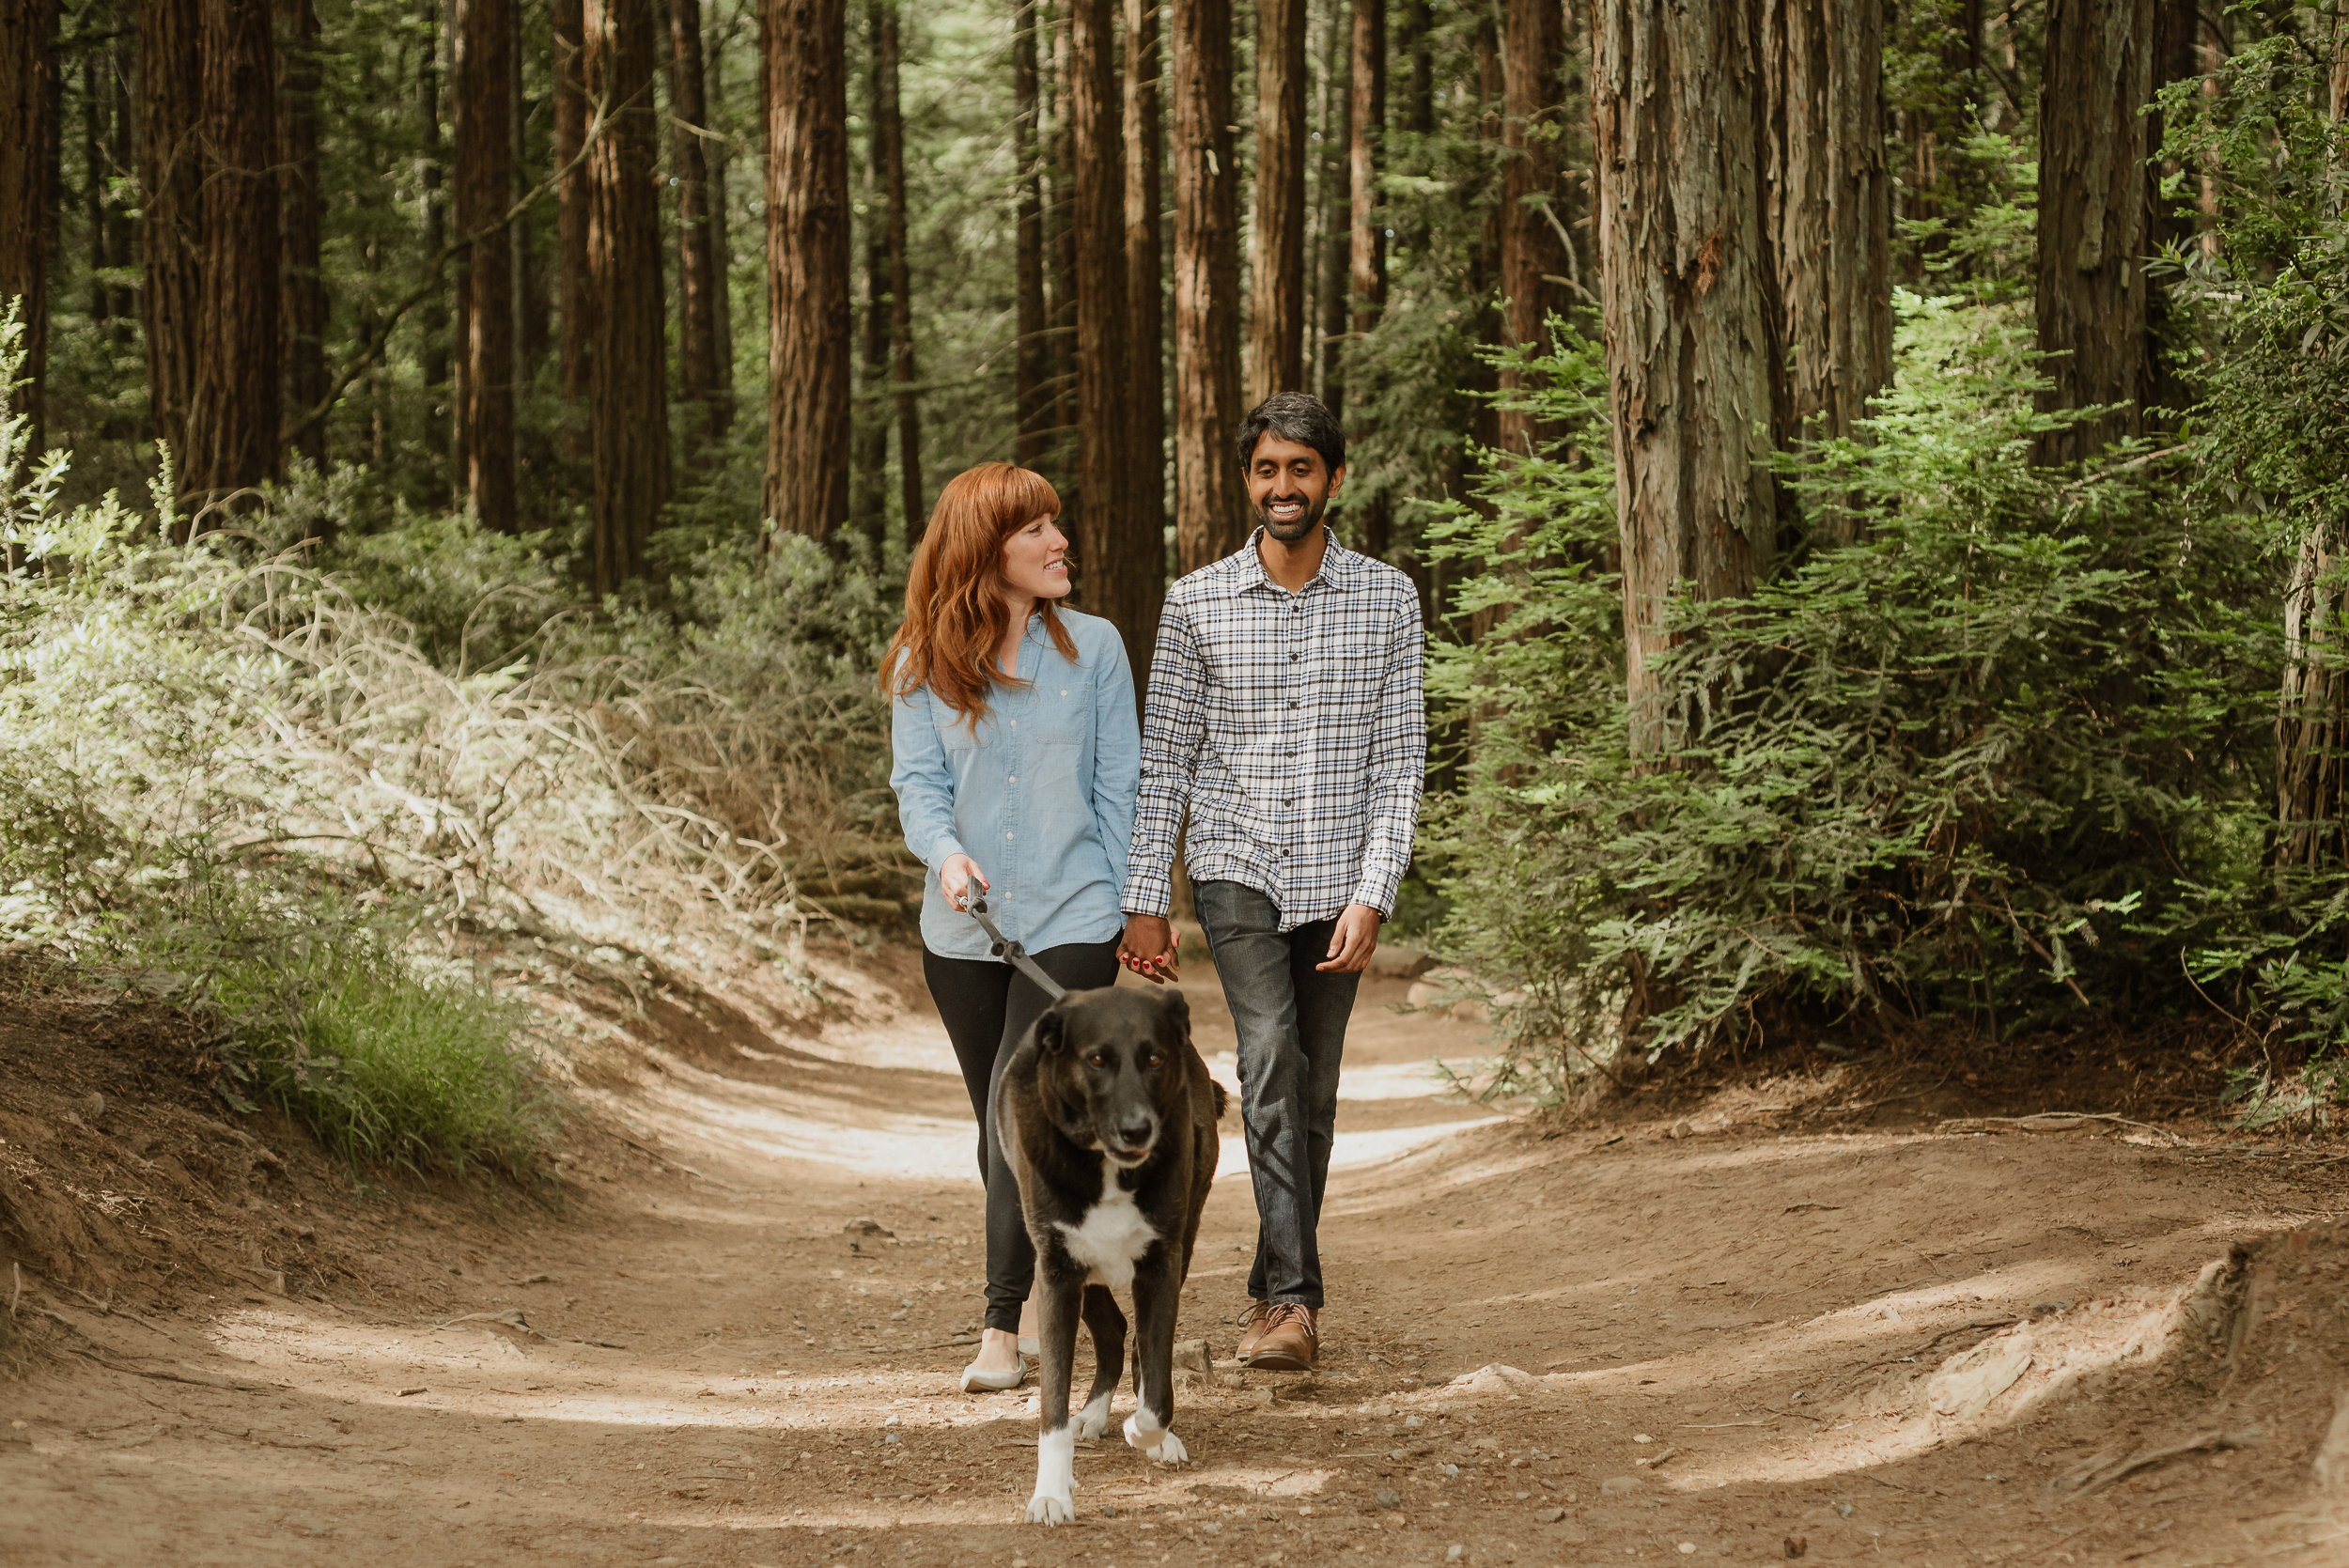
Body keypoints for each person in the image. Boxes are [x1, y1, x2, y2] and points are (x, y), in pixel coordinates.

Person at [1117, 392, 1426, 1373]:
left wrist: (1374, 889)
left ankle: (1269, 1291)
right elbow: (1164, 760)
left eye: (1300, 469)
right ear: (1244, 480)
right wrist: (1146, 900)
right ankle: (1295, 1303)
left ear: (1334, 479)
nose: (1282, 487)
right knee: (1268, 1054)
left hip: (1339, 876)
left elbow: (1401, 760)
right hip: (1236, 866)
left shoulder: (1388, 598)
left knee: (1314, 1089)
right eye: (1265, 469)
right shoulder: (1194, 601)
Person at [885, 462, 1142, 1393]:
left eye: (1055, 525)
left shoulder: (1097, 650)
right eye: (1034, 528)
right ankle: (1040, 1292)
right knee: (999, 1123)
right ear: (984, 548)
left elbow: (1121, 788)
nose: (1056, 541)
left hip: (1072, 914)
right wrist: (946, 851)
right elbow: (917, 786)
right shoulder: (923, 659)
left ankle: (999, 1329)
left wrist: (1120, 907)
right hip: (964, 932)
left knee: (1014, 1111)